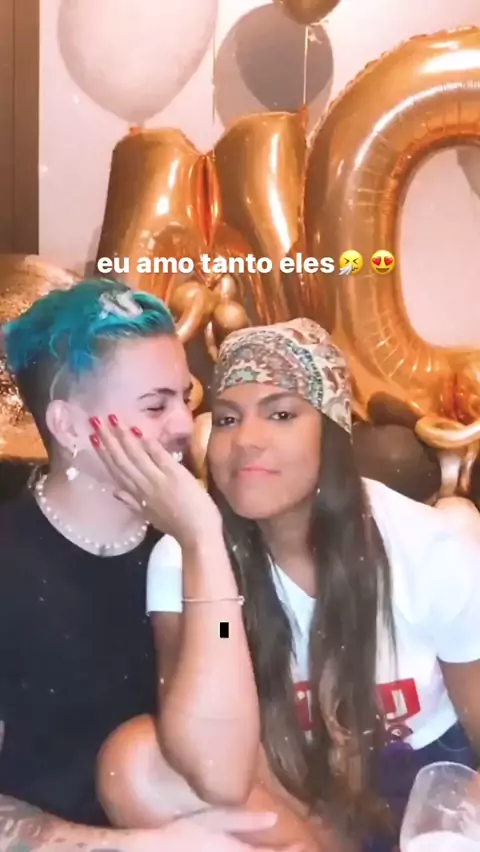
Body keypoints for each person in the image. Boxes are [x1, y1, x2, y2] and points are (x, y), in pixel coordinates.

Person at [91, 318, 480, 851]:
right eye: (227, 419)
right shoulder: (183, 558)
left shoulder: (429, 544)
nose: (246, 440)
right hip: (286, 797)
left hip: (426, 795)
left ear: (332, 433)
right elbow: (212, 766)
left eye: (281, 414)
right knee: (134, 764)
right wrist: (205, 547)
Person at [0, 279, 298, 852]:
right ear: (68, 426)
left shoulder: (191, 545)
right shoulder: (10, 565)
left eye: (185, 398)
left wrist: (203, 541)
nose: (185, 425)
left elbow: (226, 768)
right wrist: (135, 846)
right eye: (155, 406)